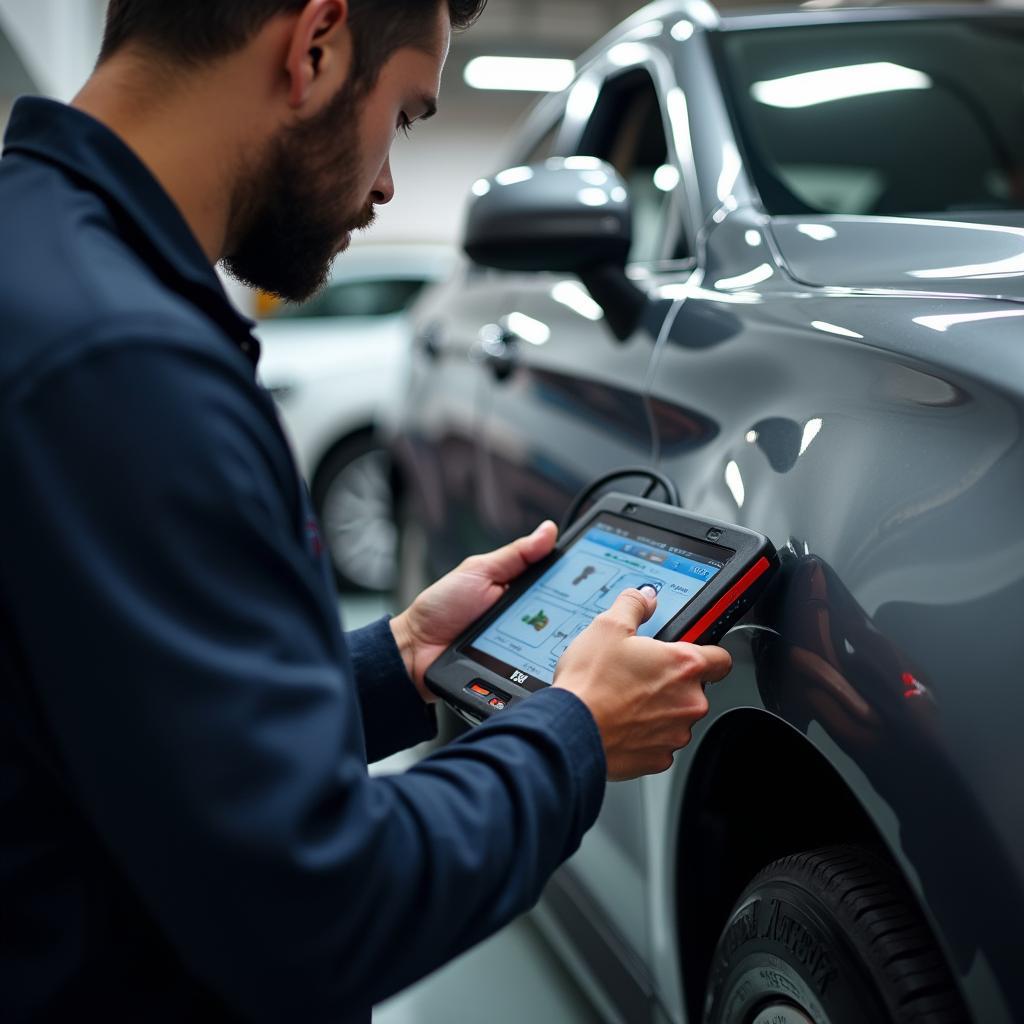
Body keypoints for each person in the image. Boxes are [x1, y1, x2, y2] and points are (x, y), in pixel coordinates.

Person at [0, 1, 732, 1020]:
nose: (388, 182)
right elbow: (314, 908)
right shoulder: (126, 365)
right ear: (315, 45)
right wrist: (574, 732)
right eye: (405, 116)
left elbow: (124, 720)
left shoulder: (41, 260)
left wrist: (395, 662)